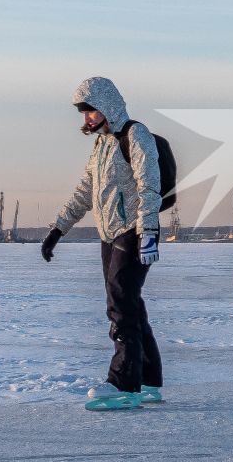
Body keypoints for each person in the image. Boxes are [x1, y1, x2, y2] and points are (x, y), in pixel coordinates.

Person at [40, 76, 164, 412]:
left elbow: (149, 183)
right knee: (130, 303)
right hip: (109, 233)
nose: (87, 119)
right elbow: (84, 192)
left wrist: (149, 230)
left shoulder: (134, 135)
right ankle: (149, 379)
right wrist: (58, 230)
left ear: (107, 106)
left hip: (134, 230)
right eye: (84, 114)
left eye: (90, 111)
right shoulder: (102, 144)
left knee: (121, 305)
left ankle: (124, 383)